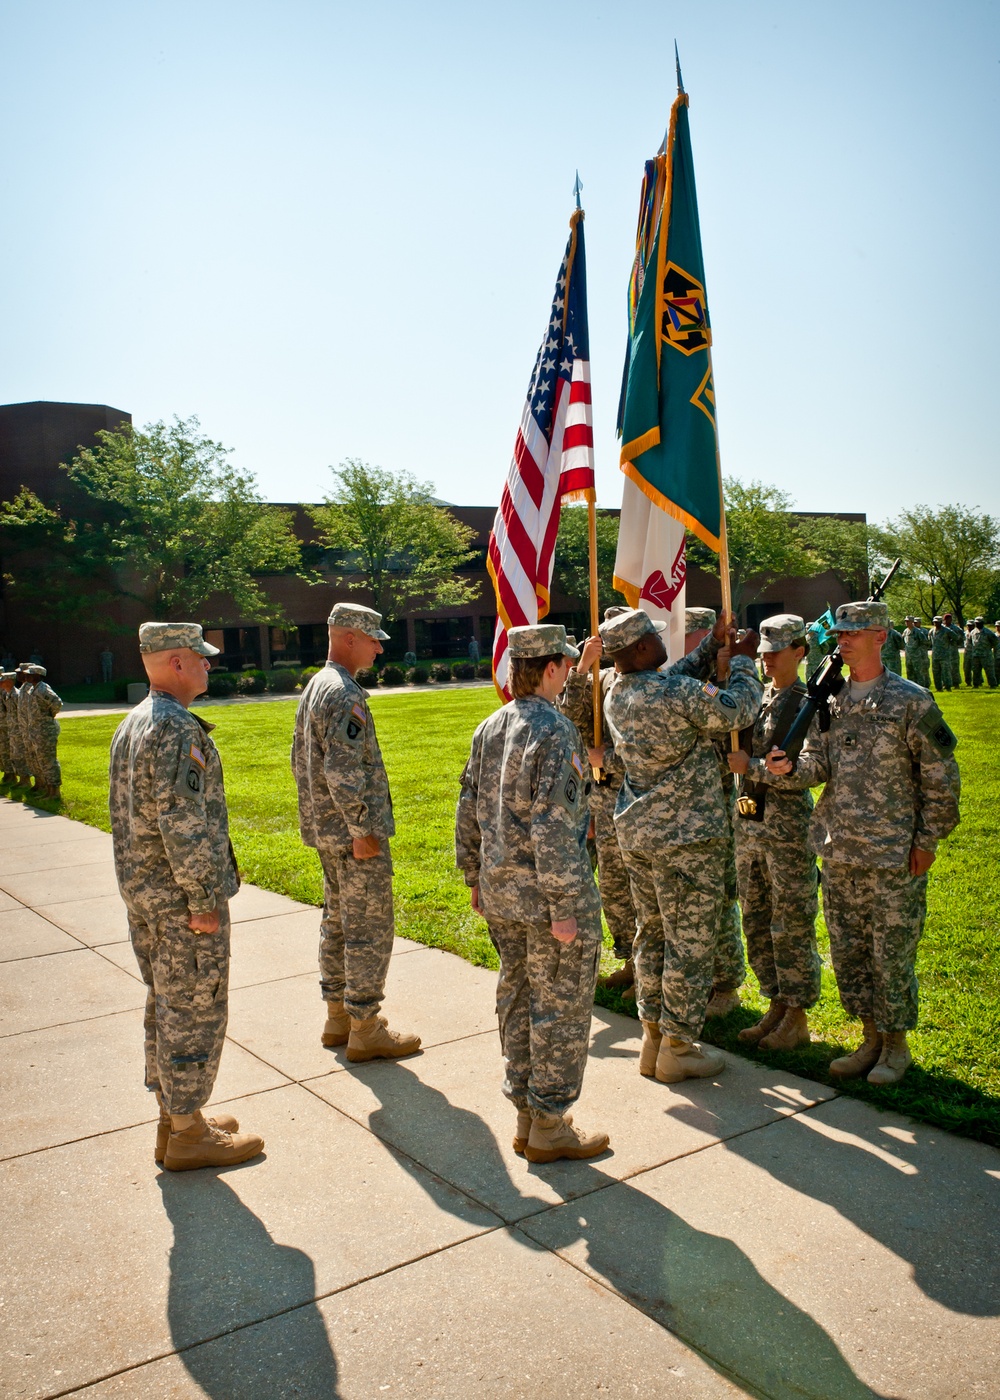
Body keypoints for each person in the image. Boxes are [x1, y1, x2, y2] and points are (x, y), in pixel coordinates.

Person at [761, 600, 960, 1085]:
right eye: (841, 634)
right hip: (840, 847)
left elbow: (941, 777)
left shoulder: (911, 700)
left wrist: (928, 838)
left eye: (855, 633)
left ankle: (895, 1046)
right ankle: (869, 1036)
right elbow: (819, 764)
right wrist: (790, 770)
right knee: (849, 951)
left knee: (891, 951)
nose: (843, 640)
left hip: (892, 851)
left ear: (881, 638)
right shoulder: (831, 701)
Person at [109, 622, 264, 1171]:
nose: (207, 666)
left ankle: (174, 1117)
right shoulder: (177, 730)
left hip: (146, 894)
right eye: (199, 658)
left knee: (165, 1002)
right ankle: (187, 1130)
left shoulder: (134, 724)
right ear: (176, 662)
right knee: (194, 1006)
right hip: (179, 900)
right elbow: (183, 823)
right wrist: (202, 899)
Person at [455, 623, 609, 1163]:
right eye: (566, 664)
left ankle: (525, 1114)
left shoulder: (490, 726)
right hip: (547, 902)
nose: (569, 671)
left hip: (503, 895)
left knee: (518, 999)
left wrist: (473, 877)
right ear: (549, 669)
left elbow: (467, 808)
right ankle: (549, 1123)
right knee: (559, 1008)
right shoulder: (556, 733)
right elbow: (554, 825)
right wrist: (566, 906)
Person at [600, 608, 763, 1085]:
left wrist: (712, 646)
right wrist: (745, 662)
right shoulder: (674, 695)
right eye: (651, 634)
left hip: (640, 833)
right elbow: (736, 708)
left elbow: (675, 678)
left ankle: (653, 1035)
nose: (658, 636)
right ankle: (678, 1046)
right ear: (640, 649)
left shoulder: (619, 691)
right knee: (690, 943)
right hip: (687, 838)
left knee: (651, 935)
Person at [291, 602, 420, 1062]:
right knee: (368, 926)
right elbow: (343, 769)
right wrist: (362, 827)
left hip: (328, 832)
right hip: (351, 834)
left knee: (339, 921)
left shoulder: (316, 686)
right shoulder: (343, 693)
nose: (380, 647)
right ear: (349, 638)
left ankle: (338, 1018)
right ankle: (365, 1026)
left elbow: (304, 763)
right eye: (373, 639)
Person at [727, 616, 820, 1050]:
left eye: (776, 651)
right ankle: (776, 1005)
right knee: (757, 917)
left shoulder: (809, 702)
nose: (766, 659)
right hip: (749, 827)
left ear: (800, 652)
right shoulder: (756, 697)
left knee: (791, 921)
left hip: (786, 829)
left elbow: (813, 770)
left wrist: (757, 768)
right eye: (762, 651)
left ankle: (797, 1014)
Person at [23, 664, 62, 799]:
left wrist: (49, 714)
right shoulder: (33, 690)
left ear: (38, 676)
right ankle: (49, 790)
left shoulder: (42, 689)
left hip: (46, 731)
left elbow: (57, 702)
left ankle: (55, 791)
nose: (26, 676)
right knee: (42, 760)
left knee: (49, 760)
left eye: (30, 674)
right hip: (38, 731)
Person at [902, 617, 931, 689]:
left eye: (908, 621)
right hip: (908, 656)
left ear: (912, 622)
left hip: (917, 656)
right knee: (910, 672)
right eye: (906, 621)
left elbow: (924, 642)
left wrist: (919, 650)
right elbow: (903, 641)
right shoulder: (906, 631)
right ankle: (912, 688)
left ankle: (922, 687)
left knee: (919, 672)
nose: (906, 622)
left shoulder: (917, 631)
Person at [969, 617, 997, 689]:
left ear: (982, 623)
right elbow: (970, 642)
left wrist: (988, 648)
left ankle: (992, 684)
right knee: (976, 671)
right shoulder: (972, 632)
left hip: (986, 655)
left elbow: (995, 642)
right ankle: (976, 684)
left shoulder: (988, 632)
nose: (977, 624)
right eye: (976, 623)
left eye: (978, 623)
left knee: (989, 671)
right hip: (976, 655)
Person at [0, 671, 15, 784]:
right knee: (2, 751)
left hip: (6, 725)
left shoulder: (7, 692)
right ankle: (7, 772)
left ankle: (11, 774)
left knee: (8, 750)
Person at [929, 617, 952, 692]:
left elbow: (956, 638)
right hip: (935, 655)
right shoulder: (932, 631)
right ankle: (938, 688)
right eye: (934, 622)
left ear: (941, 622)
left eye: (937, 622)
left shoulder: (946, 630)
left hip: (944, 655)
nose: (936, 623)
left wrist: (948, 645)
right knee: (936, 672)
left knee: (946, 672)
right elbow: (929, 641)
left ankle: (947, 686)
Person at [942, 613, 963, 688]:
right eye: (946, 619)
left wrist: (957, 642)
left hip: (953, 650)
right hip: (944, 651)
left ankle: (956, 683)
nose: (948, 620)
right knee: (945, 668)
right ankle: (945, 683)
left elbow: (961, 636)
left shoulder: (955, 628)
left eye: (949, 619)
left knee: (954, 667)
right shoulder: (942, 628)